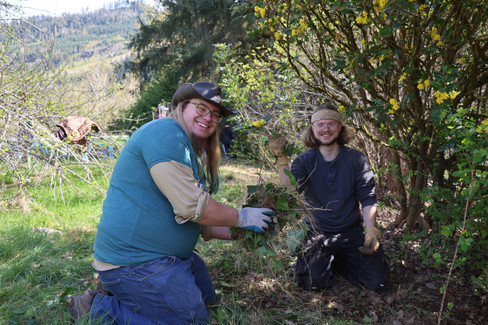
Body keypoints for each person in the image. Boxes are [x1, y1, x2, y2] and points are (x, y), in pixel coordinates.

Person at [69, 82, 275, 324]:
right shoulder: (165, 133)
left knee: (208, 303)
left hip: (165, 258)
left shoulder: (186, 149)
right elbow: (192, 207)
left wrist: (247, 231)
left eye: (215, 115)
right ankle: (95, 307)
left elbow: (201, 223)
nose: (208, 118)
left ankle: (128, 295)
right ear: (181, 106)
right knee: (188, 320)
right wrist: (242, 217)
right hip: (135, 262)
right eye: (201, 108)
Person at [269, 102, 388, 292]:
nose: (326, 129)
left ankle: (340, 259)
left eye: (331, 124)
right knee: (312, 284)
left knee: (377, 284)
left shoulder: (356, 159)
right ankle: (326, 259)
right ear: (312, 128)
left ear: (340, 127)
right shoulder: (303, 160)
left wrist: (371, 229)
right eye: (320, 124)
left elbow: (367, 197)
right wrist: (281, 160)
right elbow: (288, 191)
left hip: (351, 231)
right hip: (317, 231)